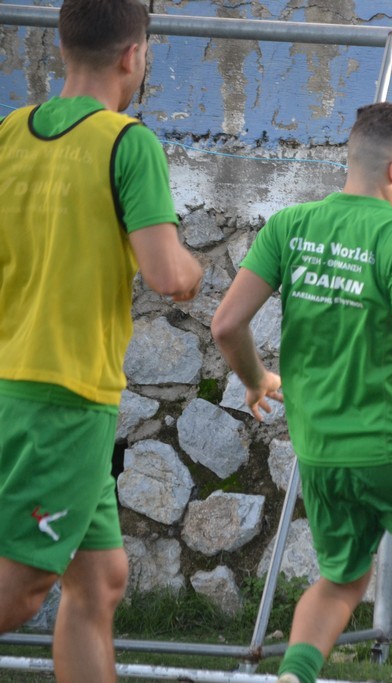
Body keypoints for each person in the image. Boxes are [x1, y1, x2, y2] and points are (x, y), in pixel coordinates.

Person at [212, 101, 392, 683]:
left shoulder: (289, 226)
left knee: (341, 580)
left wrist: (257, 381)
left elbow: (226, 325)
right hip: (391, 449)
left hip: (319, 451)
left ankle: (293, 676)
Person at [0, 1, 204, 681]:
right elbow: (167, 274)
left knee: (101, 579)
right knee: (21, 588)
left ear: (63, 48)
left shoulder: (10, 131)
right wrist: (195, 271)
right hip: (65, 397)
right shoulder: (128, 142)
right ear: (133, 55)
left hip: (16, 382)